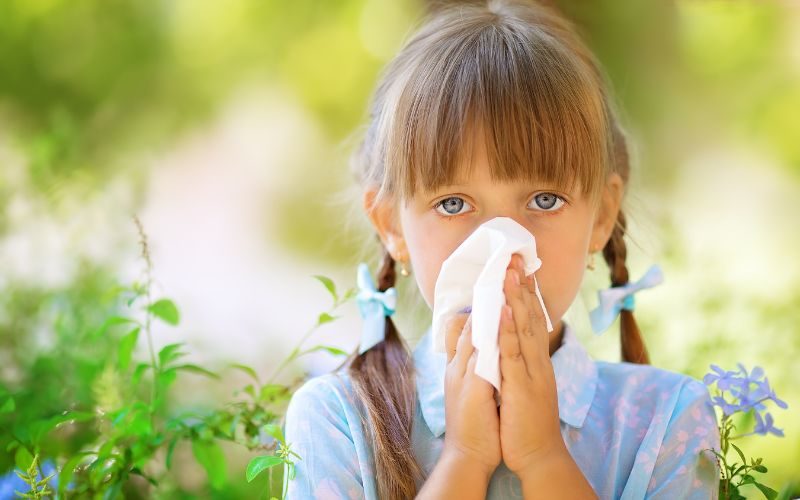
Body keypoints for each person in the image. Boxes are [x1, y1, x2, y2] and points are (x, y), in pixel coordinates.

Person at [284, 0, 720, 498]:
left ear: (600, 215)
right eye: (452, 203)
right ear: (392, 226)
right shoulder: (340, 418)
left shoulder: (666, 420)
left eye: (544, 199)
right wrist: (463, 460)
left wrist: (543, 457)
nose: (500, 247)